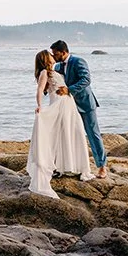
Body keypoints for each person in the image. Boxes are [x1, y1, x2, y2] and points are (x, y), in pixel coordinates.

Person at [26, 49, 93, 198]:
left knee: (72, 132)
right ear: (45, 58)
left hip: (69, 103)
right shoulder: (45, 72)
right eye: (50, 54)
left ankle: (71, 166)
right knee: (60, 133)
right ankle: (60, 166)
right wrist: (39, 105)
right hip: (59, 104)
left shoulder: (55, 70)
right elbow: (39, 89)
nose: (52, 55)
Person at [51, 40, 107, 178]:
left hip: (86, 104)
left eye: (56, 54)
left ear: (64, 52)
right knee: (68, 134)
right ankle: (69, 164)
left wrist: (69, 89)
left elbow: (86, 79)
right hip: (69, 106)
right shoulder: (57, 66)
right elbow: (52, 78)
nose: (54, 56)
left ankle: (101, 167)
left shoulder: (78, 61)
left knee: (93, 134)